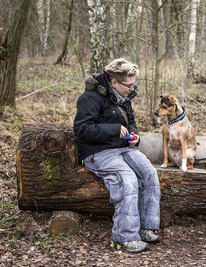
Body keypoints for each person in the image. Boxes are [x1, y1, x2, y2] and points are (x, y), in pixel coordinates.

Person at [73, 58, 161, 253]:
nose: (132, 89)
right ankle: (124, 237)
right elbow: (82, 130)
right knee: (127, 179)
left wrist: (134, 136)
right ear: (114, 82)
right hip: (97, 152)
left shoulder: (123, 97)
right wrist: (113, 129)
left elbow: (130, 123)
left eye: (133, 84)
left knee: (149, 174)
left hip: (123, 148)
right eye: (128, 85)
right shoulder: (90, 98)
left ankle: (146, 227)